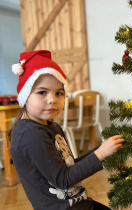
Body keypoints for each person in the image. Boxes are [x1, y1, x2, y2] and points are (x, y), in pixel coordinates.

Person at [8, 50, 124, 210]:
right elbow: (63, 180)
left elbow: (68, 167)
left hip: (78, 203)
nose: (52, 100)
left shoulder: (51, 126)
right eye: (42, 92)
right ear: (25, 95)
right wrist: (100, 154)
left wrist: (102, 149)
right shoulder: (31, 135)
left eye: (59, 93)